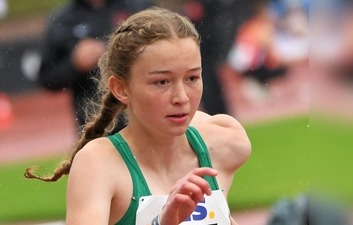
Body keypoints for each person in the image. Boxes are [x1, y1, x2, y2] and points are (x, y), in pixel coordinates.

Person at [26, 7, 251, 225]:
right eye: (161, 82)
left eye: (192, 78)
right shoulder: (99, 165)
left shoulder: (224, 142)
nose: (182, 98)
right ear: (121, 89)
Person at [37, 0, 153, 132]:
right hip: (97, 127)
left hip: (145, 119)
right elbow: (47, 78)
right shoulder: (63, 20)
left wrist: (113, 49)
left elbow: (163, 49)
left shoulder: (138, 6)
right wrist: (74, 64)